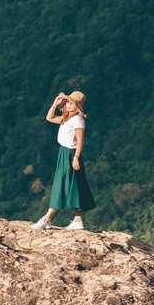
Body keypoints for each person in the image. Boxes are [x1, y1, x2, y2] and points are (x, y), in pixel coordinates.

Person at [31, 90, 96, 230]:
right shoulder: (67, 118)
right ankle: (77, 220)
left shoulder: (77, 119)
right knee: (72, 186)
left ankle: (47, 218)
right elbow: (49, 118)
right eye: (69, 102)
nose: (70, 105)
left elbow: (80, 140)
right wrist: (55, 104)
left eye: (73, 104)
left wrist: (76, 158)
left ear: (78, 107)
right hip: (64, 154)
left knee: (63, 185)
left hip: (71, 154)